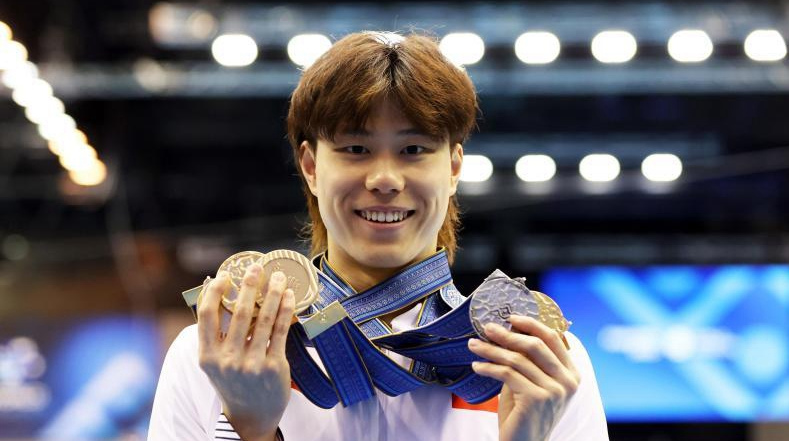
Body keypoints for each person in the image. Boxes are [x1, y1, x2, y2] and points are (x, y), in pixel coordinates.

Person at [147, 31, 609, 441]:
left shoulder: (538, 365)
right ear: (311, 167)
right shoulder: (217, 355)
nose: (384, 178)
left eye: (413, 149)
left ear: (453, 168)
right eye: (355, 148)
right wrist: (248, 429)